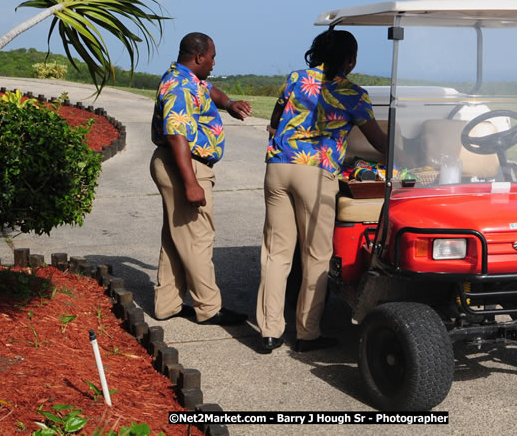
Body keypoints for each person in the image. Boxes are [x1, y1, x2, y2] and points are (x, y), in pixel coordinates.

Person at [256, 29, 387, 353]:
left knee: (276, 252)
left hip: (278, 167)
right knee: (316, 255)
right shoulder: (354, 93)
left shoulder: (297, 79)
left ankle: (269, 332)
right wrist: (407, 153)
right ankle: (306, 333)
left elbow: (275, 120)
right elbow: (377, 141)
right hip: (315, 175)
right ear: (349, 59)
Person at [150, 32, 253, 323]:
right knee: (198, 237)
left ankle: (167, 304)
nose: (214, 63)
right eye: (212, 57)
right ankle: (209, 308)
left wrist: (229, 104)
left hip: (185, 164)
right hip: (185, 165)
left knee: (178, 237)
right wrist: (191, 183)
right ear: (198, 57)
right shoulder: (180, 86)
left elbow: (210, 90)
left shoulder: (188, 79)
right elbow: (176, 134)